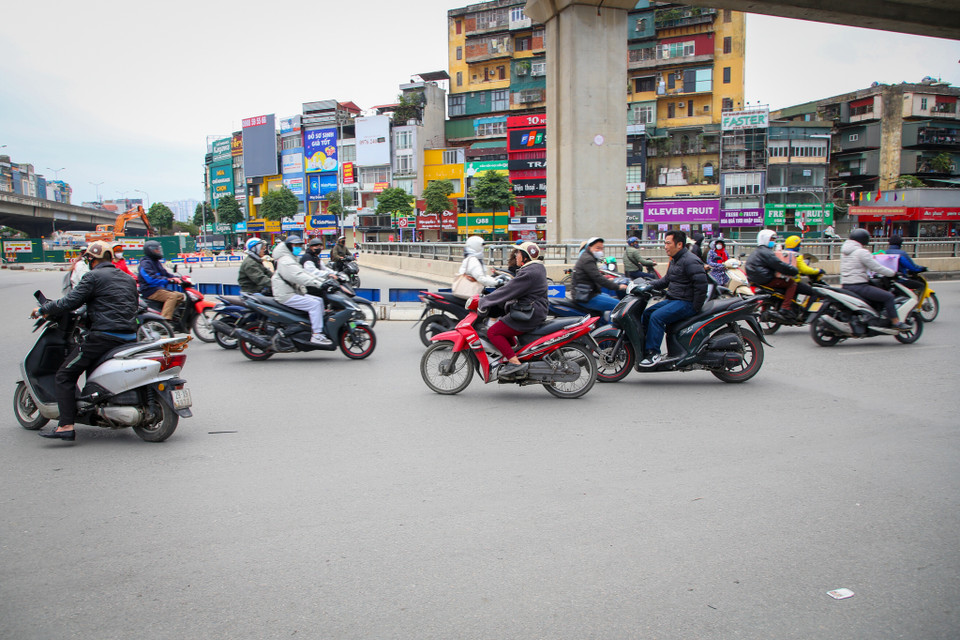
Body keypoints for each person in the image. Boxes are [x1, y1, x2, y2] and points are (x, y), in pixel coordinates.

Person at [33, 241, 140, 441]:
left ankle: (65, 425)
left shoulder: (92, 276)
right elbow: (129, 304)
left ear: (91, 259)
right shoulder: (127, 278)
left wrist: (42, 309)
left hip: (103, 337)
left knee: (64, 374)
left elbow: (69, 302)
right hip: (130, 336)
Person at [477, 242, 549, 377]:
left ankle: (514, 362)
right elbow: (513, 289)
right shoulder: (536, 268)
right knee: (504, 326)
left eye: (518, 253)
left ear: (526, 257)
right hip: (532, 310)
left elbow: (509, 290)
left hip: (530, 313)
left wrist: (485, 301)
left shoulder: (530, 272)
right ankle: (515, 354)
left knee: (493, 332)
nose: (516, 255)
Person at [638, 230, 708, 367]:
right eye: (664, 243)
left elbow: (701, 286)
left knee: (657, 317)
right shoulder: (676, 260)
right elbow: (666, 281)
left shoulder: (690, 261)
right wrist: (647, 285)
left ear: (680, 244)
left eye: (668, 243)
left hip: (686, 302)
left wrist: (695, 308)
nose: (665, 246)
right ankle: (645, 347)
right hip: (675, 299)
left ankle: (653, 353)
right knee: (647, 313)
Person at [271, 235, 333, 346]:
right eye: (296, 245)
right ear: (289, 246)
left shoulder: (291, 258)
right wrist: (319, 284)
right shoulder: (286, 261)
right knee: (314, 304)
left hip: (292, 291)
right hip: (286, 294)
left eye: (300, 245)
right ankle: (317, 335)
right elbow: (299, 276)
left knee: (319, 301)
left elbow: (306, 273)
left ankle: (314, 328)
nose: (298, 248)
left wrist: (322, 281)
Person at [841, 229, 902, 328]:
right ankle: (896, 322)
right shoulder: (861, 252)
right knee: (888, 297)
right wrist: (892, 274)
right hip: (859, 286)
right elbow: (876, 267)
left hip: (846, 285)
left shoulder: (844, 252)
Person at [745, 229, 802, 320]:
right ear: (765, 239)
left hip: (756, 279)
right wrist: (793, 270)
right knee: (792, 283)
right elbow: (779, 265)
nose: (773, 242)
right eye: (771, 239)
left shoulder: (758, 251)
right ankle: (785, 308)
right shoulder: (766, 252)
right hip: (766, 279)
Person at [572, 237, 627, 312]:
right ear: (589, 247)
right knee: (618, 306)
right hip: (585, 295)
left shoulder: (588, 257)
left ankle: (602, 322)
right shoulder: (588, 259)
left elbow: (594, 275)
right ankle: (612, 324)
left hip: (587, 292)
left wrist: (608, 279)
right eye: (597, 248)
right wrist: (618, 287)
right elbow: (598, 278)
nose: (600, 251)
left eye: (602, 248)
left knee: (608, 297)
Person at [138, 240, 185, 320]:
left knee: (180, 296)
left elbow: (166, 274)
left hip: (158, 289)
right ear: (150, 250)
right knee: (172, 296)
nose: (159, 251)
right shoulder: (145, 263)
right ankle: (164, 320)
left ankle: (171, 315)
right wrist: (168, 280)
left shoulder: (156, 262)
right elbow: (151, 279)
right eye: (157, 249)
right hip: (150, 290)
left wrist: (179, 278)